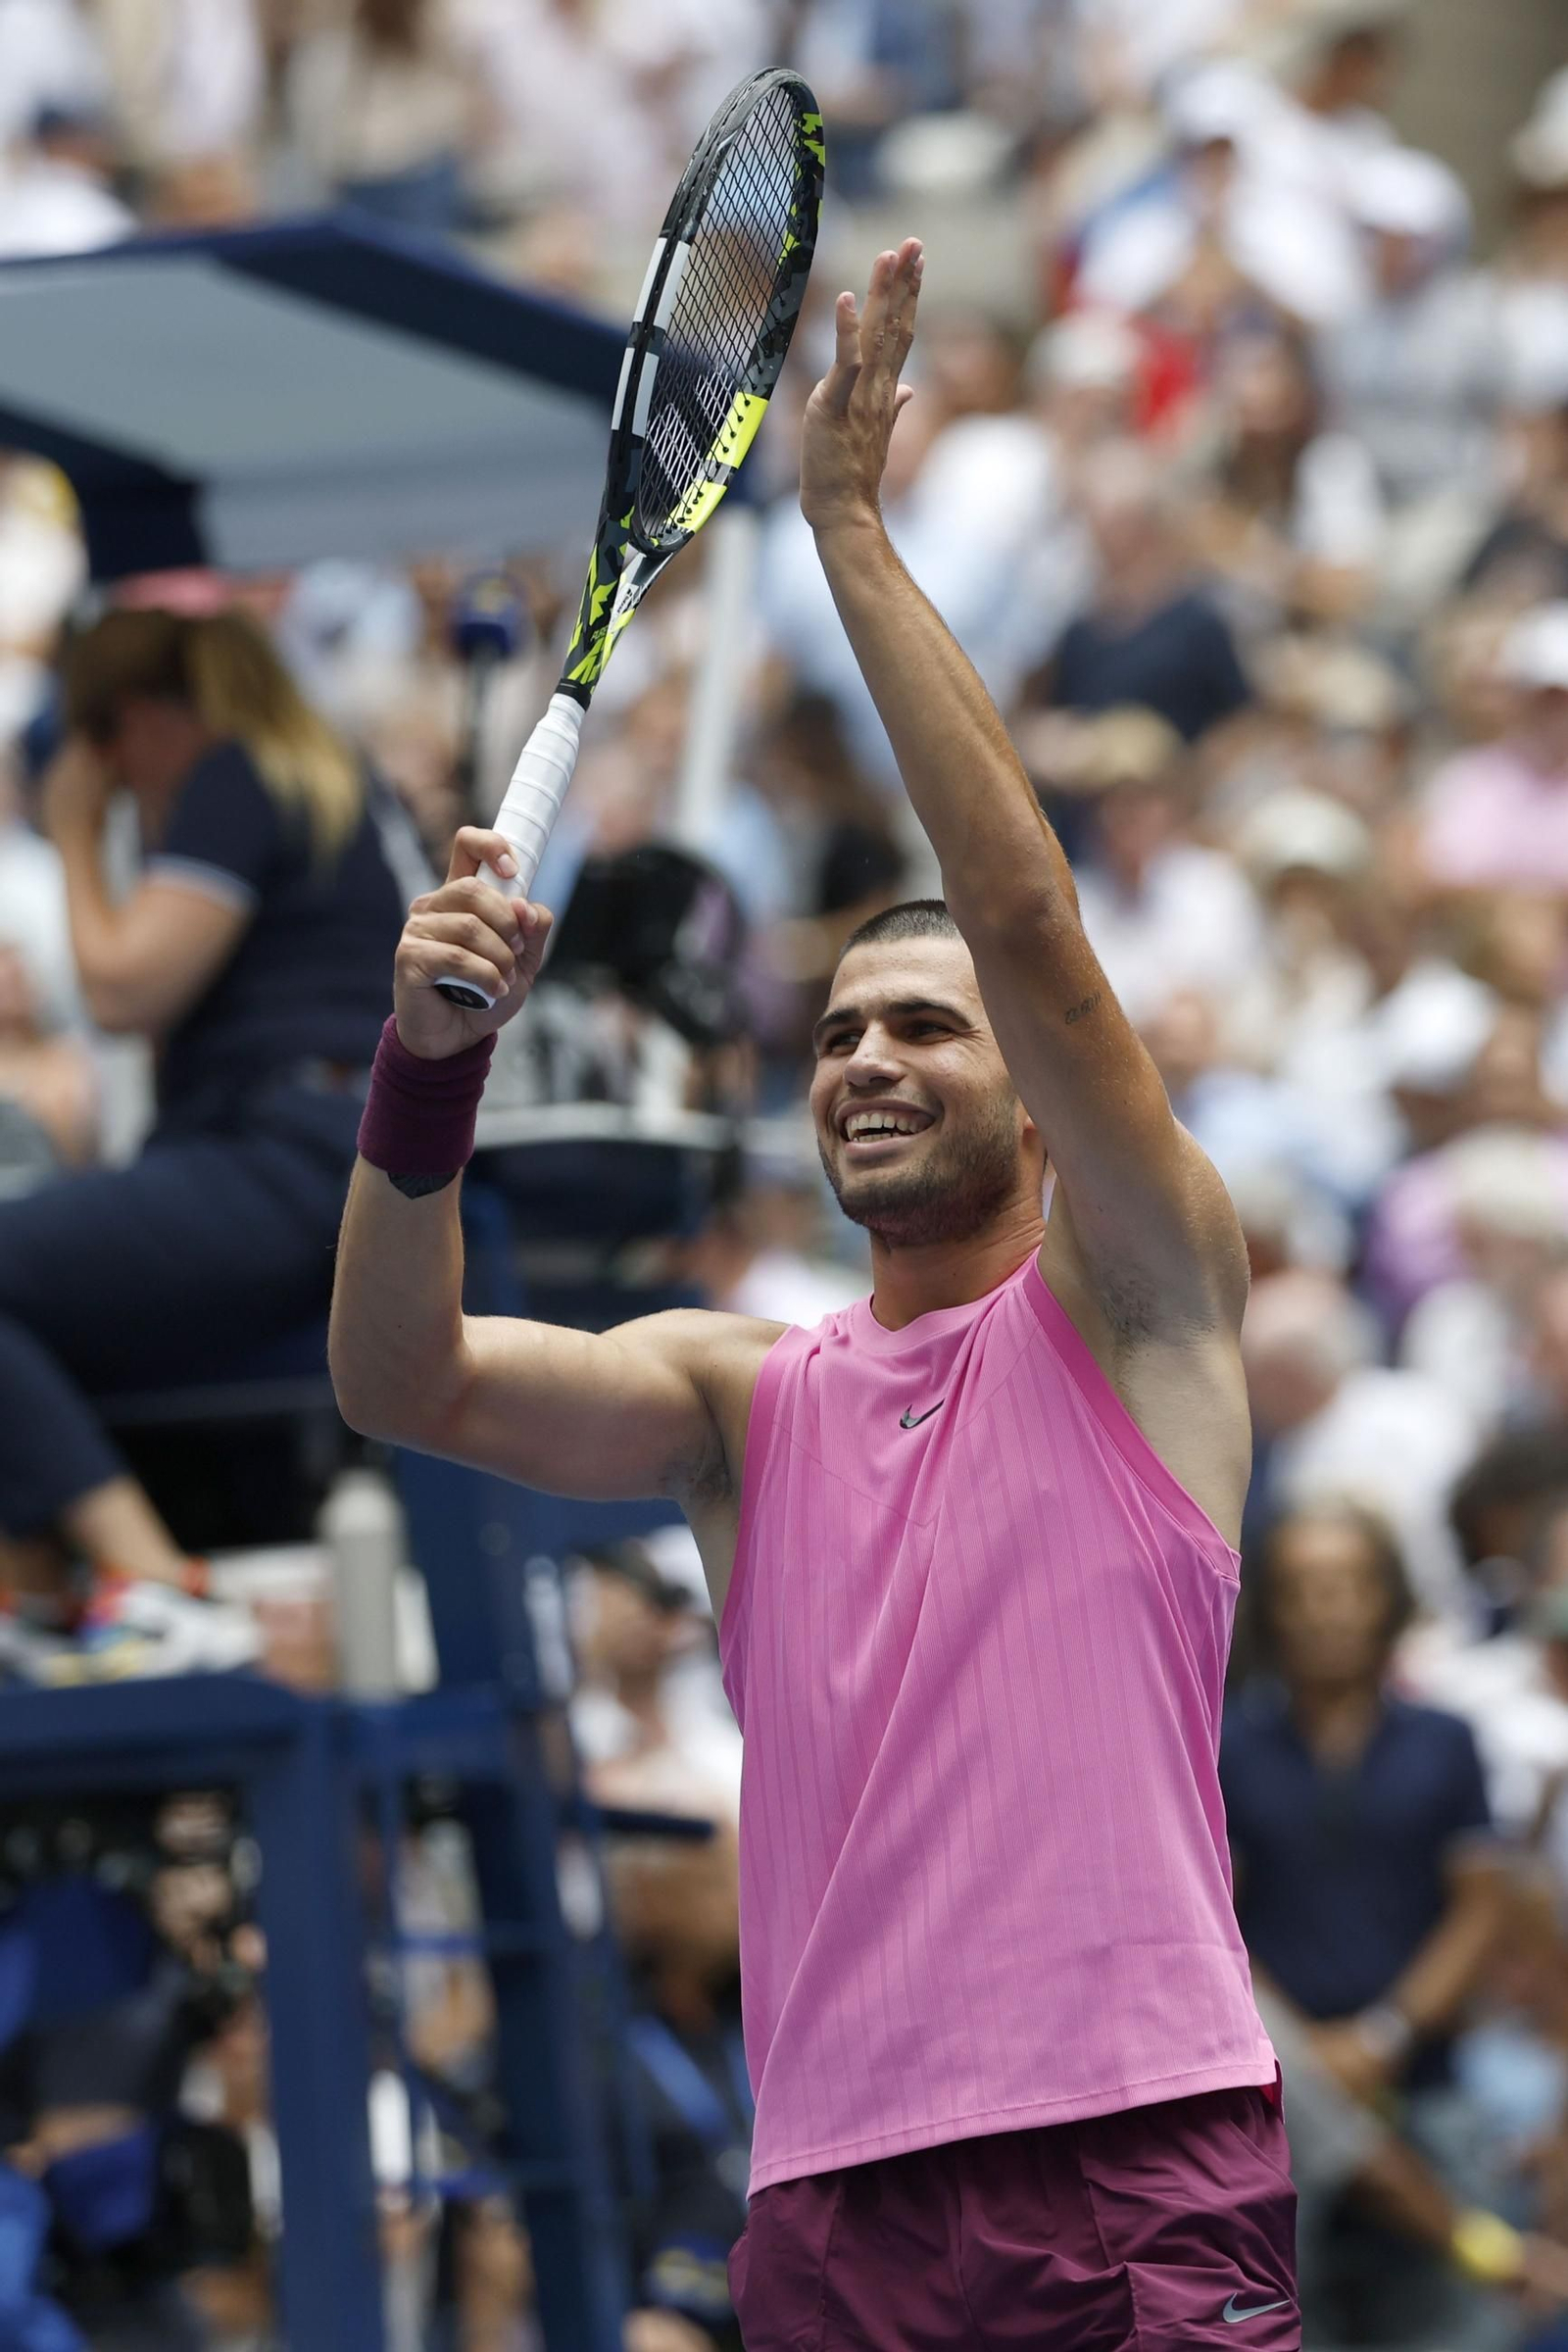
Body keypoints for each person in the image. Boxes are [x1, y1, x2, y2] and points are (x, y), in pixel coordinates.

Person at [332, 242, 1295, 2347]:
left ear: (1037, 1112)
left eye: (924, 1034)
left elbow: (1034, 929)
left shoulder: (1143, 1309)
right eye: (840, 1030)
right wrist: (423, 1069)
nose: (865, 1059)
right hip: (835, 2207)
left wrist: (844, 534)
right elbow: (400, 1376)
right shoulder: (734, 1394)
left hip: (1133, 2157)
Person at [0, 607, 409, 1679]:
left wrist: (77, 831)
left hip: (288, 1156)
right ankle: (47, 1593)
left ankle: (145, 1584)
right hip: (330, 1154)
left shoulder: (237, 775)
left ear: (128, 725)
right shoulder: (320, 780)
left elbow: (125, 985)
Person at [1223, 1504, 1510, 2347]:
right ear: (1272, 1610)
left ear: (1386, 1600)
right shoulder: (1231, 1745)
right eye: (1303, 1591)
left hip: (1425, 2087)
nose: (1326, 1610)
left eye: (1347, 1587)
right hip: (1281, 2119)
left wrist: (1385, 2035)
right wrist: (1309, 2059)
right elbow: (1218, 1918)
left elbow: (1482, 1905)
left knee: (1455, 2324)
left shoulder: (1445, 1741)